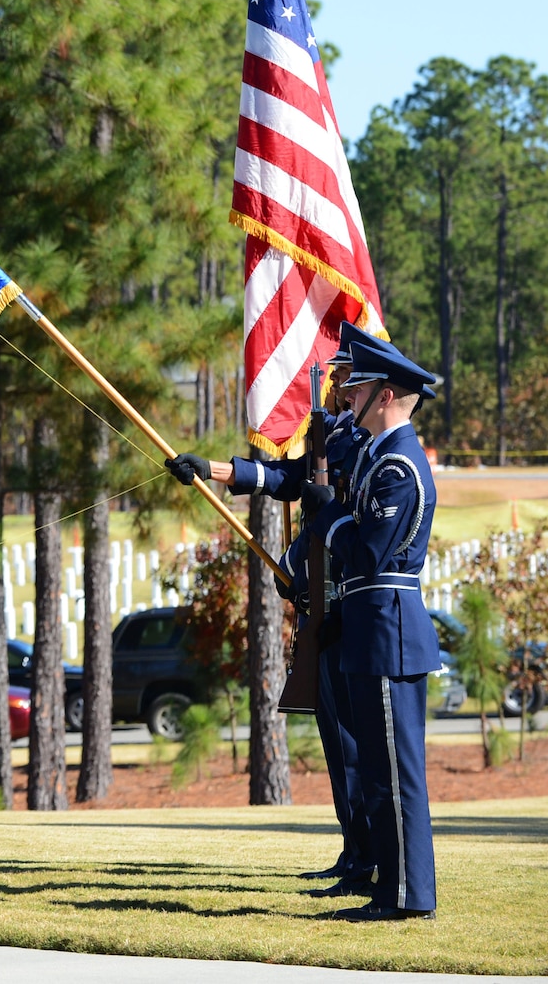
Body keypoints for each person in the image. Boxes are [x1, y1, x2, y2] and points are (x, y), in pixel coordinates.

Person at [165, 323, 384, 891]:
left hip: (350, 599)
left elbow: (336, 509)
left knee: (358, 745)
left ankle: (371, 858)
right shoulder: (334, 434)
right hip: (322, 602)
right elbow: (284, 479)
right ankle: (354, 850)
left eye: (345, 378)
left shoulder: (364, 447)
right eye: (338, 377)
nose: (338, 384)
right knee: (338, 744)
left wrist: (318, 503)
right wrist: (212, 470)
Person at [325, 340, 441, 922]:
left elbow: (367, 554)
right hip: (373, 630)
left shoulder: (398, 466)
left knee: (397, 774)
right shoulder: (379, 457)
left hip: (389, 632)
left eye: (359, 386)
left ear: (386, 394)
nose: (348, 394)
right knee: (379, 771)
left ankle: (408, 897)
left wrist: (331, 523)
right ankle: (390, 890)